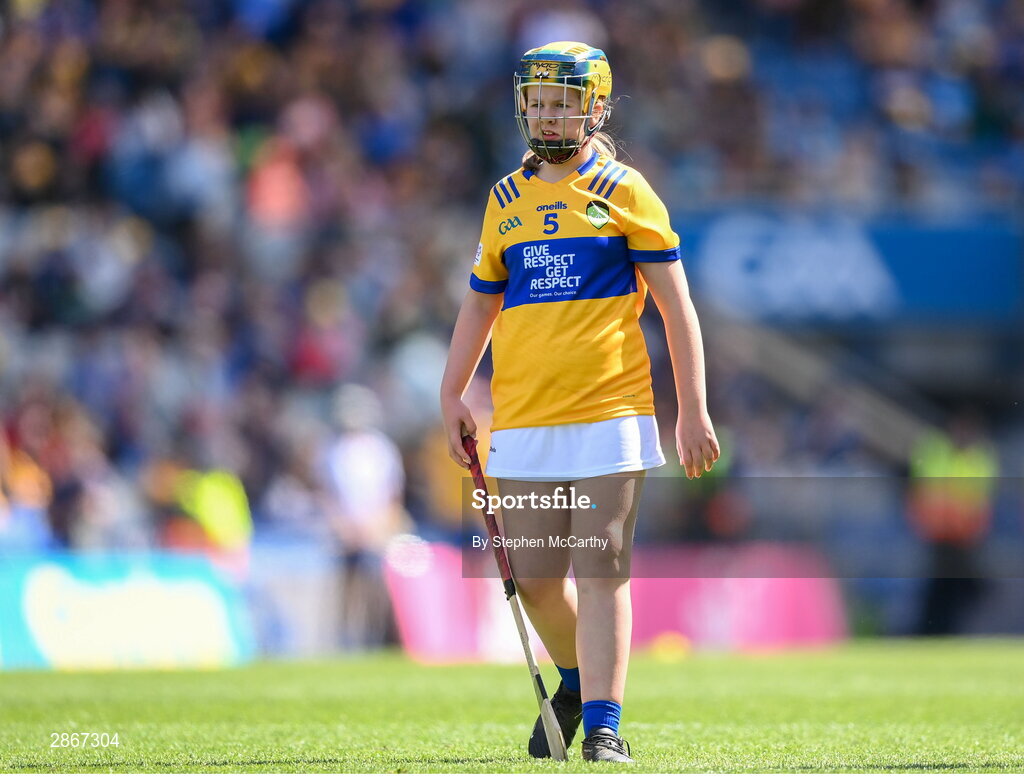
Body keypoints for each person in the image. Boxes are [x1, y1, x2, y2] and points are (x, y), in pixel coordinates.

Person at [439, 41, 719, 763]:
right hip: (524, 419)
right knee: (533, 583)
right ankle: (574, 679)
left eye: (562, 100)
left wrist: (691, 408)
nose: (547, 113)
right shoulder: (504, 200)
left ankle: (602, 722)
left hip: (610, 412)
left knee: (601, 571)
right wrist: (453, 391)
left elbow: (676, 306)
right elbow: (479, 307)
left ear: (595, 105)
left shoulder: (627, 191)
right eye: (536, 99)